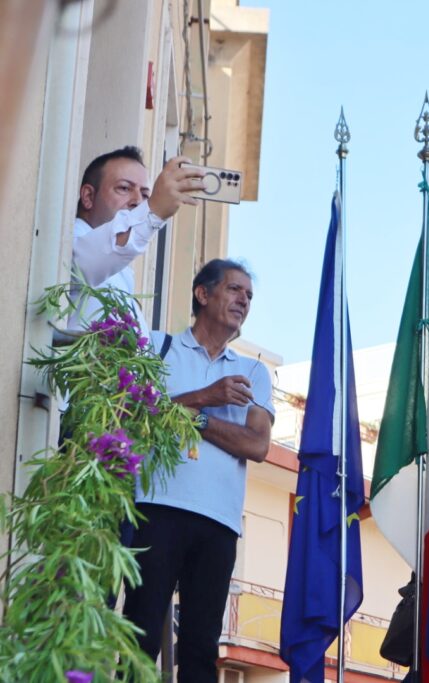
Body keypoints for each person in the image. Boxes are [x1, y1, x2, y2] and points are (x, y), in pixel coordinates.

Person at [123, 259, 274, 682]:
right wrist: (207, 395)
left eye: (249, 295)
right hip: (156, 510)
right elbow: (137, 416)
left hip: (220, 524)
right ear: (202, 294)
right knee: (139, 636)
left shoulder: (254, 371)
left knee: (201, 649)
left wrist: (195, 416)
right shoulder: (157, 347)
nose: (243, 299)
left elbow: (257, 445)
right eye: (234, 289)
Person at [71, 145, 202, 332]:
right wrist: (153, 211)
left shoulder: (122, 270)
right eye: (124, 188)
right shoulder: (69, 240)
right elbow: (85, 262)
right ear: (88, 196)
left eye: (145, 194)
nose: (138, 201)